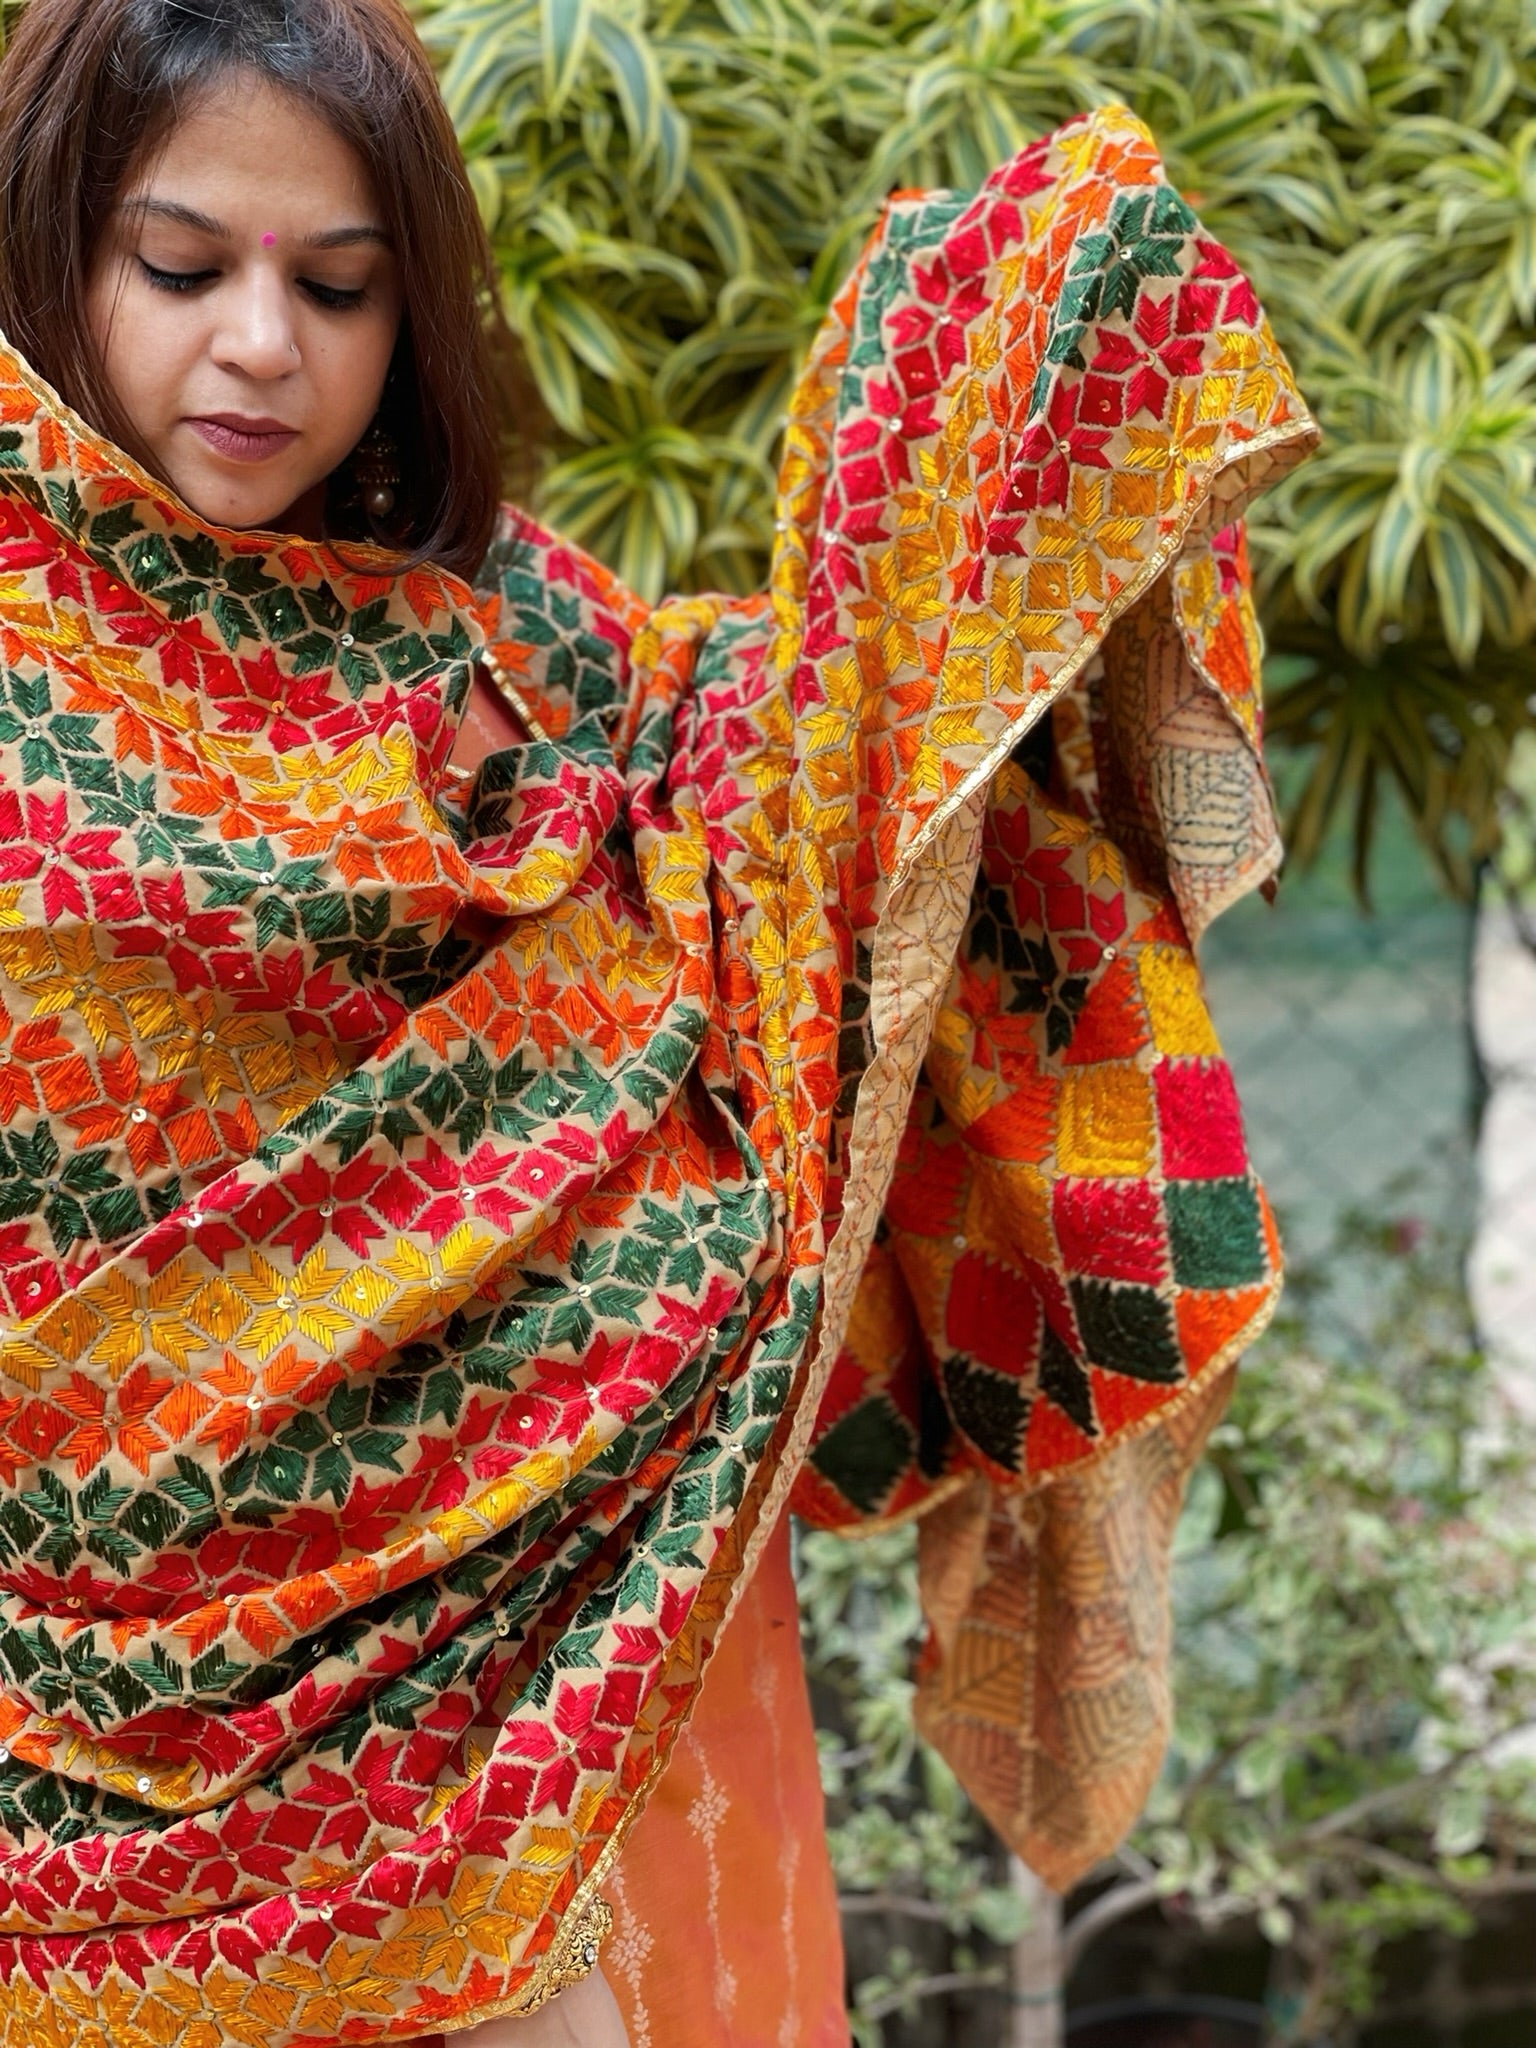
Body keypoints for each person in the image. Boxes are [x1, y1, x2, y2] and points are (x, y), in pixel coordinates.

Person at [0, 2, 1317, 2044]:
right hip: (48, 1753)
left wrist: (981, 409)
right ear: (44, 245)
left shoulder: (518, 639)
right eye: (180, 268)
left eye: (336, 289)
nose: (259, 343)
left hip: (529, 1703)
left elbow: (793, 830)